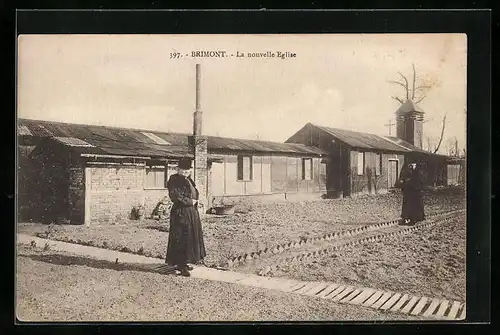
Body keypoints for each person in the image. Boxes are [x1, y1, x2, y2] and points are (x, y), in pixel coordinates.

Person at [165, 158, 206, 277]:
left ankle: (186, 262)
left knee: (190, 238)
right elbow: (175, 195)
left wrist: (197, 201)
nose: (185, 173)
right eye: (183, 170)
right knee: (181, 238)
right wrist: (190, 202)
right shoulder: (174, 180)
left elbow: (194, 193)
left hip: (191, 212)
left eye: (187, 171)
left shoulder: (189, 179)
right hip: (180, 212)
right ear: (178, 169)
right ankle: (181, 265)